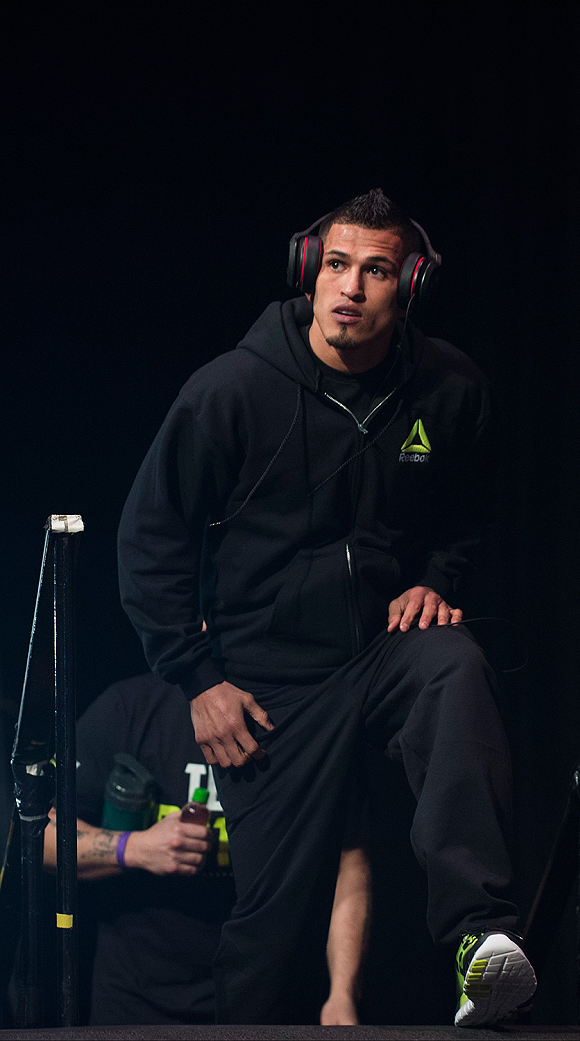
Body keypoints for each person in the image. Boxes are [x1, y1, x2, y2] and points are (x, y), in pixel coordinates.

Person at [117, 188, 537, 1026]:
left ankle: (480, 939)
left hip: (386, 650)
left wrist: (439, 582)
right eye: (336, 265)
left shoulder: (452, 390)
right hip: (271, 686)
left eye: (375, 270)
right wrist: (198, 677)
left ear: (409, 285)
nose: (350, 286)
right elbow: (150, 537)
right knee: (270, 939)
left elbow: (473, 518)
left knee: (454, 666)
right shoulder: (231, 390)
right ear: (308, 270)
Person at [43, 672, 371, 1025]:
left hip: (268, 1000)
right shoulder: (130, 706)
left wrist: (342, 994)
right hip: (137, 999)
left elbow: (347, 866)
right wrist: (135, 848)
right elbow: (41, 838)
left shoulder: (298, 711)